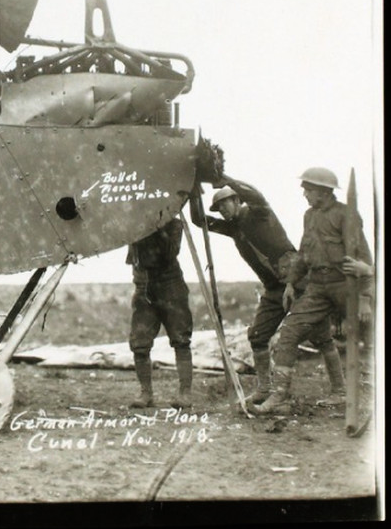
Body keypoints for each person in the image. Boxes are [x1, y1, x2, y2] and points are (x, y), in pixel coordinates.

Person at [252, 167, 374, 415]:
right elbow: (303, 254)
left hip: (346, 284)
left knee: (370, 334)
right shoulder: (309, 216)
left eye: (308, 189)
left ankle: (362, 395)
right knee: (290, 330)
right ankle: (280, 397)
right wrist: (289, 283)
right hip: (317, 286)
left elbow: (364, 256)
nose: (305, 194)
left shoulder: (345, 215)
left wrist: (364, 297)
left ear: (323, 191)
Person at [190, 175, 299, 404]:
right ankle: (265, 388)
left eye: (225, 204)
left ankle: (339, 390)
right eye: (218, 208)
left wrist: (224, 179)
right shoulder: (233, 228)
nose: (222, 210)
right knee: (257, 336)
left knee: (318, 334)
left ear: (237, 200)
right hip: (273, 289)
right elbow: (200, 221)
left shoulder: (257, 212)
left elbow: (256, 194)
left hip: (296, 281)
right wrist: (192, 191)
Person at [125, 217, 195, 409]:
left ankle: (185, 394)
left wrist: (156, 228)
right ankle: (146, 393)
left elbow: (170, 252)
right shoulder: (132, 222)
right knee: (139, 343)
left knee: (181, 339)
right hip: (144, 288)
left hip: (170, 286)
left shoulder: (174, 224)